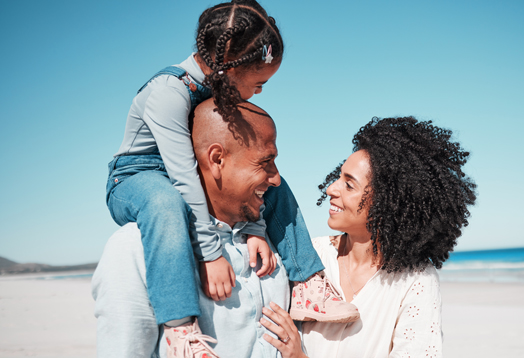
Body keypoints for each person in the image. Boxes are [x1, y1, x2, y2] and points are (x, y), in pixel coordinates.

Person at [104, 1, 357, 356]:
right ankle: (180, 330)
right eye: (258, 81)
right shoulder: (168, 92)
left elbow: (240, 169)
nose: (259, 91)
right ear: (229, 67)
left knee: (273, 183)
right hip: (138, 175)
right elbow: (185, 177)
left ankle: (307, 284)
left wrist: (255, 229)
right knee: (166, 203)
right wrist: (210, 255)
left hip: (188, 176)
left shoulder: (219, 89)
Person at [95, 100, 328, 358]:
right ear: (217, 159)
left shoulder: (278, 240)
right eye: (265, 161)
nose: (276, 178)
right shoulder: (134, 248)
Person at [260, 116, 477, 358]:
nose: (331, 188)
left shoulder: (415, 281)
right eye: (339, 176)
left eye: (349, 185)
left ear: (387, 203)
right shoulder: (310, 256)